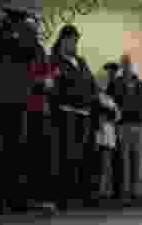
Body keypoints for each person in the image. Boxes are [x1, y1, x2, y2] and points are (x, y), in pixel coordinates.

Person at [0, 0, 41, 214]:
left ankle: (15, 198)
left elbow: (30, 53)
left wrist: (30, 31)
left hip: (16, 96)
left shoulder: (19, 21)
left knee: (16, 149)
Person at [49, 24, 100, 210]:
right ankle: (63, 197)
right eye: (71, 40)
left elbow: (92, 85)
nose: (74, 43)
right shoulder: (54, 61)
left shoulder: (81, 61)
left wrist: (96, 99)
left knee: (84, 157)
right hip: (66, 114)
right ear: (63, 40)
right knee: (65, 157)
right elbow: (55, 89)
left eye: (76, 40)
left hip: (85, 115)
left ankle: (80, 196)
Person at [24, 14, 60, 213]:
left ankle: (39, 197)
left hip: (42, 108)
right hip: (30, 107)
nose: (39, 28)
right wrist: (44, 80)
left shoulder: (41, 49)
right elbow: (25, 76)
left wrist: (50, 78)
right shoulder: (27, 49)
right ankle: (32, 198)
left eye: (40, 25)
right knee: (33, 154)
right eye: (36, 25)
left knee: (41, 154)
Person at [107, 54, 142, 203]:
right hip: (122, 126)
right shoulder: (115, 84)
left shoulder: (140, 85)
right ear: (121, 66)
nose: (126, 66)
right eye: (124, 63)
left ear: (132, 66)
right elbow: (109, 103)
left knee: (136, 160)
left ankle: (133, 191)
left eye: (128, 63)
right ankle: (124, 192)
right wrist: (115, 120)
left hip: (138, 127)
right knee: (123, 160)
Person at [102, 62, 124, 200]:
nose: (110, 74)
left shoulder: (116, 86)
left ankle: (116, 190)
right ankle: (114, 190)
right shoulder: (110, 87)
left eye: (112, 72)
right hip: (111, 125)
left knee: (116, 159)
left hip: (117, 126)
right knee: (113, 159)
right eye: (109, 72)